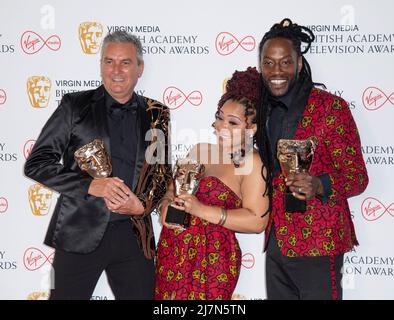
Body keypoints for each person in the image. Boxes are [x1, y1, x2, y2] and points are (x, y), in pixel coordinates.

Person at [24, 30, 172, 300]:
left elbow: (161, 173)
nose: (116, 70)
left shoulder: (157, 113)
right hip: (79, 234)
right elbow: (37, 163)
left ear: (139, 68)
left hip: (134, 237)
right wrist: (91, 185)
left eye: (125, 62)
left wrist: (142, 205)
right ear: (101, 64)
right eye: (108, 61)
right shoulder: (74, 106)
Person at [256, 18, 369, 300]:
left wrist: (319, 184)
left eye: (285, 62)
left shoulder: (330, 107)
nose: (276, 71)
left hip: (319, 242)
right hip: (277, 242)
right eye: (268, 62)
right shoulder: (262, 109)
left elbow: (357, 177)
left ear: (299, 63)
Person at [155, 67, 271, 300]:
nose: (221, 126)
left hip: (213, 261)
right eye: (219, 117)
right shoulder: (200, 150)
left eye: (233, 122)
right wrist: (166, 207)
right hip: (173, 251)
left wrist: (200, 210)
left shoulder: (253, 162)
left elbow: (257, 221)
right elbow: (172, 189)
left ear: (252, 129)